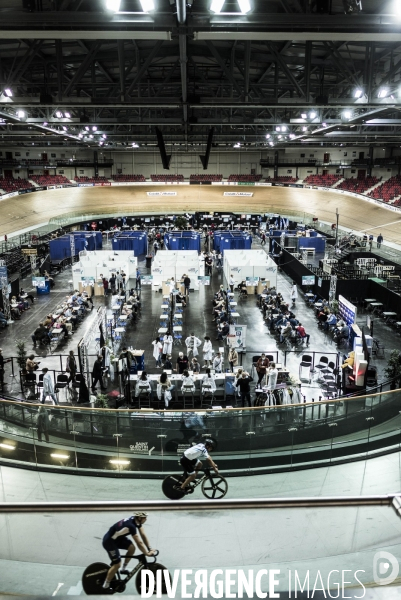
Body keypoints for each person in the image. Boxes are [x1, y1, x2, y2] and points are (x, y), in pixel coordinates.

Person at [102, 512, 155, 590]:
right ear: (139, 518)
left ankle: (123, 569)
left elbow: (143, 535)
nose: (146, 519)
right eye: (144, 518)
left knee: (132, 548)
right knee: (117, 564)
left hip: (117, 538)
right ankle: (105, 585)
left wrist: (149, 548)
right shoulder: (131, 526)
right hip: (109, 541)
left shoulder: (135, 520)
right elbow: (139, 543)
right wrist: (146, 553)